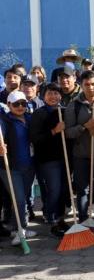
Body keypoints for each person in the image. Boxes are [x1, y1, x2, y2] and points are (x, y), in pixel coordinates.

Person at [63, 70, 94, 229]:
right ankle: (84, 222)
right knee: (82, 191)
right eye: (86, 85)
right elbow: (68, 133)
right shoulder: (74, 106)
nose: (90, 87)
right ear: (81, 85)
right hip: (81, 155)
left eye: (93, 84)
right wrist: (84, 127)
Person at [29, 82, 70, 237]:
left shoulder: (65, 111)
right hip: (48, 159)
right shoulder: (39, 114)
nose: (53, 96)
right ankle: (51, 218)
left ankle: (60, 218)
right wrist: (54, 131)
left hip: (64, 158)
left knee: (64, 190)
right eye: (50, 93)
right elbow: (35, 138)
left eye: (56, 93)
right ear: (43, 95)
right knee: (54, 190)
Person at [0, 91, 38, 245]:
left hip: (29, 166)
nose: (20, 107)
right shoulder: (5, 121)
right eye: (16, 104)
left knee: (23, 198)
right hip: (11, 167)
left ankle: (18, 229)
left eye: (23, 103)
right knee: (19, 200)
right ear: (9, 105)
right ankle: (20, 230)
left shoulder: (29, 118)